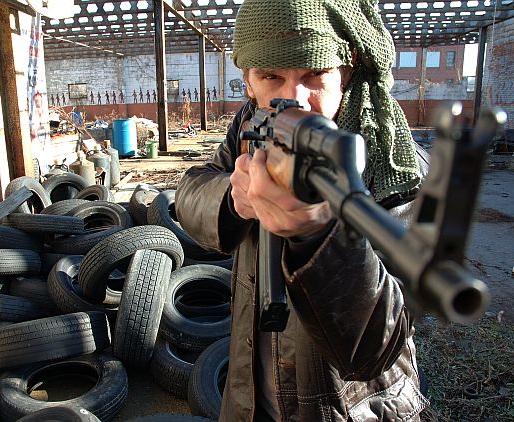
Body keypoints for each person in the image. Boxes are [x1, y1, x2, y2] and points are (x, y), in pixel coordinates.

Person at [175, 0, 430, 421]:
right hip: (251, 399)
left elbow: (376, 347)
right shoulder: (247, 128)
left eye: (314, 74)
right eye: (271, 75)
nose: (293, 98)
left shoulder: (395, 166)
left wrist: (320, 240)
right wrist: (232, 201)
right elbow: (188, 193)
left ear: (345, 71)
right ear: (248, 81)